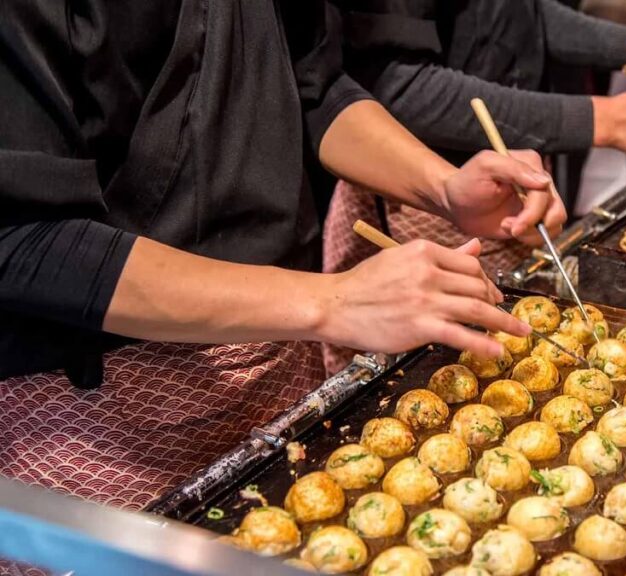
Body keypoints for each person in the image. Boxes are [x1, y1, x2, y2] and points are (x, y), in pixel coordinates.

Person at [0, 0, 564, 511]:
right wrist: (333, 300)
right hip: (99, 406)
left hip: (280, 346)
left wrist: (443, 189)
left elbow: (312, 85)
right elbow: (23, 237)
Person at [322, 2, 626, 372]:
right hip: (414, 194)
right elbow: (392, 83)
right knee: (446, 365)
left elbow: (514, 14)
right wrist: (602, 119)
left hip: (501, 178)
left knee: (518, 340)